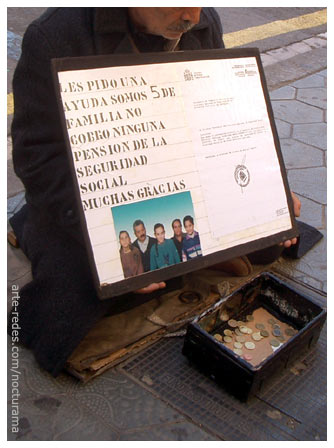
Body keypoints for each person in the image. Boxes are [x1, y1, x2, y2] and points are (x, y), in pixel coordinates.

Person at [8, 7, 300, 376]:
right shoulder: (54, 36)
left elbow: (229, 119)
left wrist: (269, 187)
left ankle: (202, 255)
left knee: (270, 235)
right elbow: (36, 157)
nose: (191, 15)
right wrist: (98, 241)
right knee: (86, 292)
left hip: (183, 178)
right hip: (92, 196)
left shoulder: (201, 19)